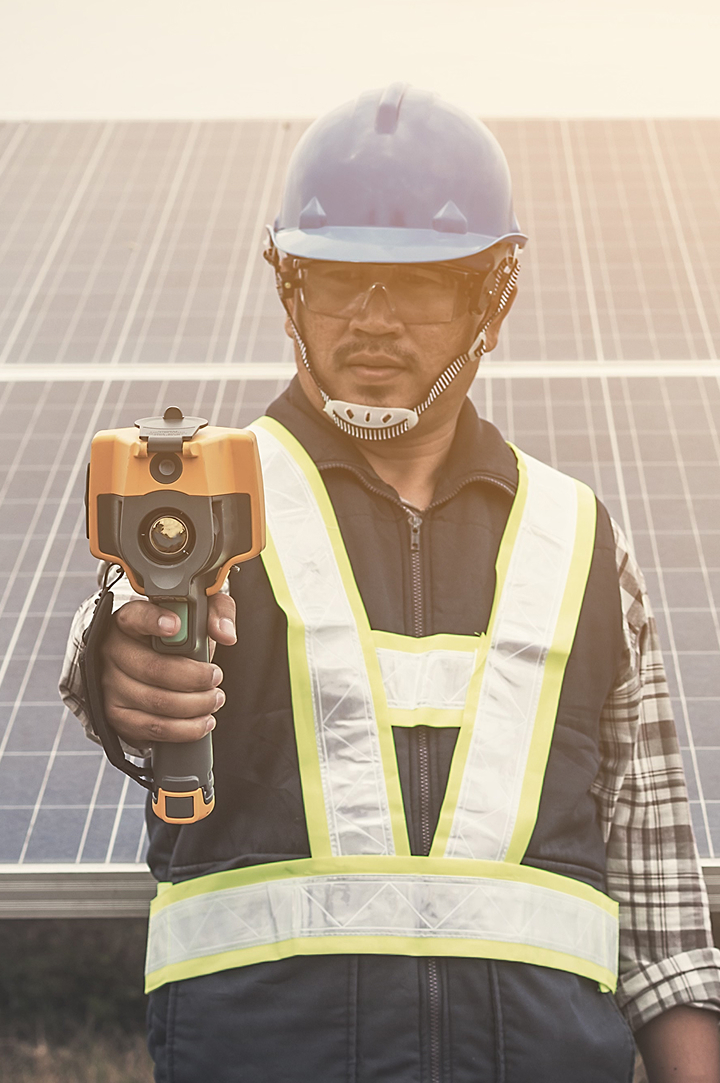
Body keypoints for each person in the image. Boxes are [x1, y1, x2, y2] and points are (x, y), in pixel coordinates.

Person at [60, 84, 720, 1082]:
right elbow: (122, 636)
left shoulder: (578, 535)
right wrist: (115, 657)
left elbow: (663, 904)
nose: (371, 319)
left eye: (418, 283)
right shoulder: (208, 497)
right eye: (337, 279)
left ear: (488, 292)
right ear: (291, 286)